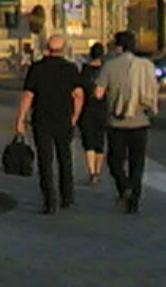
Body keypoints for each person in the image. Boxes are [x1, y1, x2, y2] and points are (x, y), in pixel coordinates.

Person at [15, 34, 84, 214]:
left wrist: (20, 119)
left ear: (47, 48)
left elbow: (28, 96)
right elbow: (78, 95)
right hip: (64, 119)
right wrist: (75, 117)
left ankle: (49, 200)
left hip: (42, 119)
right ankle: (67, 196)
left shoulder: (36, 68)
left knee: (45, 161)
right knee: (65, 158)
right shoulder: (71, 69)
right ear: (64, 49)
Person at [94, 30, 158, 214]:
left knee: (115, 160)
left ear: (118, 46)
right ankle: (134, 200)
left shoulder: (109, 66)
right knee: (137, 163)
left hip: (116, 122)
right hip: (141, 121)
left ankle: (124, 187)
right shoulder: (146, 65)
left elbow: (98, 94)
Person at [77, 42, 108, 185]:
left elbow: (78, 93)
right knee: (100, 142)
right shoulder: (106, 71)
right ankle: (98, 169)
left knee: (88, 143)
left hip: (86, 110)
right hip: (103, 109)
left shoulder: (84, 71)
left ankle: (92, 172)